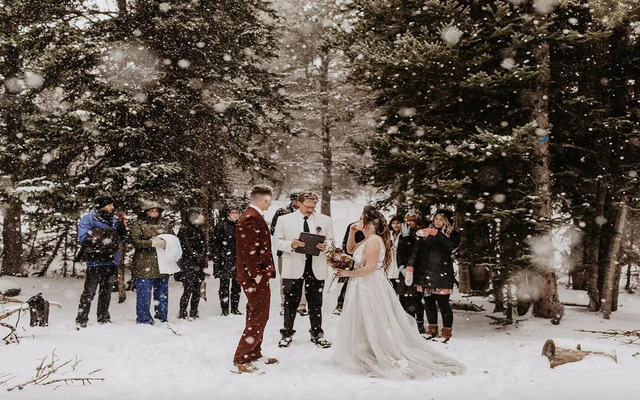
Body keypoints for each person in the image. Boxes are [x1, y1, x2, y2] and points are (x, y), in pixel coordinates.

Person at [332, 206, 464, 379]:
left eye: (359, 219)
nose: (357, 221)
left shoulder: (373, 241)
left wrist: (348, 273)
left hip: (369, 284)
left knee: (373, 316)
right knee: (363, 316)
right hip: (360, 283)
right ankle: (367, 346)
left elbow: (370, 268)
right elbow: (350, 249)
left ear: (368, 223)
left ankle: (379, 347)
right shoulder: (367, 239)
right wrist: (351, 231)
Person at [274, 191, 333, 349]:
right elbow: (277, 242)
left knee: (316, 302)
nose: (310, 209)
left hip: (316, 265)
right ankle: (286, 333)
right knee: (290, 302)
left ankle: (317, 333)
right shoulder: (284, 220)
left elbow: (331, 240)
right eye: (307, 206)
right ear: (298, 203)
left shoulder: (325, 220)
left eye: (313, 207)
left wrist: (326, 245)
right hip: (293, 264)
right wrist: (291, 244)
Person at [232, 185, 278, 374]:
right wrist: (256, 274)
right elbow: (248, 249)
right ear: (265, 199)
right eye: (270, 198)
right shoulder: (251, 217)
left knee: (257, 314)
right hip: (254, 277)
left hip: (257, 275)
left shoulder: (253, 215)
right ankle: (242, 359)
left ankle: (254, 353)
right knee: (258, 315)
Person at [406, 209, 461, 341]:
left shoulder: (452, 234)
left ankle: (446, 332)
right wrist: (410, 267)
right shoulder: (425, 233)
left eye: (441, 219)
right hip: (425, 273)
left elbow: (450, 246)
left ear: (447, 221)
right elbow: (416, 251)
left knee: (443, 304)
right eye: (436, 219)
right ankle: (432, 329)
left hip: (442, 273)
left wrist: (437, 233)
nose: (437, 221)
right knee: (429, 303)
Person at [75, 195, 126, 328]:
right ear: (101, 206)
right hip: (95, 261)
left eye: (113, 205)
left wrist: (121, 232)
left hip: (111, 261)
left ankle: (103, 317)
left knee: (106, 291)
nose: (112, 208)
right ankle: (82, 318)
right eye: (109, 205)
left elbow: (119, 241)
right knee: (89, 291)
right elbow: (84, 238)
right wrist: (109, 235)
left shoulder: (115, 220)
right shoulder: (88, 219)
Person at [129, 201, 175, 324]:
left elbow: (173, 239)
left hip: (162, 263)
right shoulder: (138, 224)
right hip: (144, 263)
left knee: (162, 293)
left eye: (156, 211)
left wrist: (167, 243)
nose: (154, 213)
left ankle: (162, 317)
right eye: (151, 211)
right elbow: (135, 241)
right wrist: (151, 243)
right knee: (144, 294)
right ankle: (144, 319)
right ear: (146, 212)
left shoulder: (165, 224)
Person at [270, 188, 308, 316]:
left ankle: (302, 304)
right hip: (285, 250)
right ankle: (285, 303)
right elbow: (274, 231)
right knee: (286, 278)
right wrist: (288, 240)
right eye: (298, 200)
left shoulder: (307, 212)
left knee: (303, 277)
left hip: (303, 250)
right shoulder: (282, 212)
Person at [394, 211, 426, 334]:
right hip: (403, 270)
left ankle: (419, 325)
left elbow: (415, 252)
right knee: (402, 295)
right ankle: (406, 323)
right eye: (406, 220)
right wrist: (401, 266)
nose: (408, 223)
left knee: (415, 297)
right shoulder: (403, 235)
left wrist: (410, 267)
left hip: (416, 270)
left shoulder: (419, 234)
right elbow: (400, 252)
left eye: (411, 220)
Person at [176, 208, 207, 320]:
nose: (201, 217)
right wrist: (195, 256)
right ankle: (182, 312)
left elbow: (204, 246)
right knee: (188, 288)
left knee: (197, 288)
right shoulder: (184, 230)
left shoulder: (200, 230)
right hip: (188, 263)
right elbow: (185, 246)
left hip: (199, 263)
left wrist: (201, 258)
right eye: (198, 215)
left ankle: (194, 311)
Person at [211, 205, 242, 316]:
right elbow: (215, 244)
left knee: (237, 285)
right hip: (224, 259)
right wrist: (217, 259)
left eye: (237, 212)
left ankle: (235, 307)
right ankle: (224, 309)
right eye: (233, 212)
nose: (235, 215)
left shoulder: (241, 225)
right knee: (224, 285)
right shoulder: (221, 226)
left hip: (238, 260)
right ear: (228, 213)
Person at [332, 221, 365, 315]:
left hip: (367, 257)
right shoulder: (353, 226)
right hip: (354, 257)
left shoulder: (375, 230)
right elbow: (346, 243)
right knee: (350, 282)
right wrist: (345, 256)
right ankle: (341, 302)